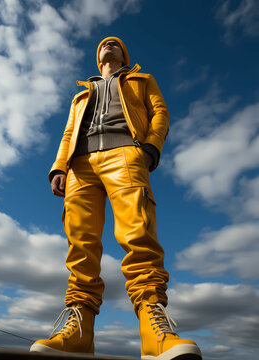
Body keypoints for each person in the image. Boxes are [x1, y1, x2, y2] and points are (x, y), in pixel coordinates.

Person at [30, 37, 202, 360]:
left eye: (115, 43)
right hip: (79, 164)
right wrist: (58, 166)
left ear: (124, 54)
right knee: (80, 242)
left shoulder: (141, 79)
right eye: (103, 44)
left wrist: (150, 147)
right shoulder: (82, 93)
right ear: (98, 59)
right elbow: (68, 132)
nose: (108, 44)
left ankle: (154, 331)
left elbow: (160, 112)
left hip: (125, 153)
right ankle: (79, 332)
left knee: (138, 231)